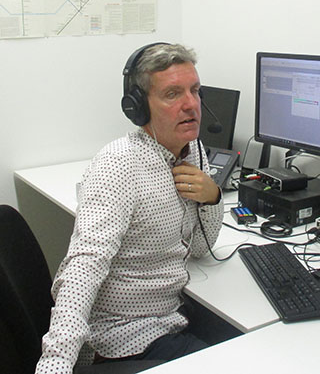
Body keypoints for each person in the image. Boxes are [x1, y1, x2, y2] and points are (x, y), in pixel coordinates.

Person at [36, 43, 224, 374]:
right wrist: (55, 364)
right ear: (138, 107)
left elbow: (198, 248)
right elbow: (83, 265)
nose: (191, 104)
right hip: (127, 338)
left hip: (173, 315)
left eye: (195, 91)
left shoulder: (193, 153)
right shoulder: (118, 166)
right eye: (172, 94)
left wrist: (213, 198)